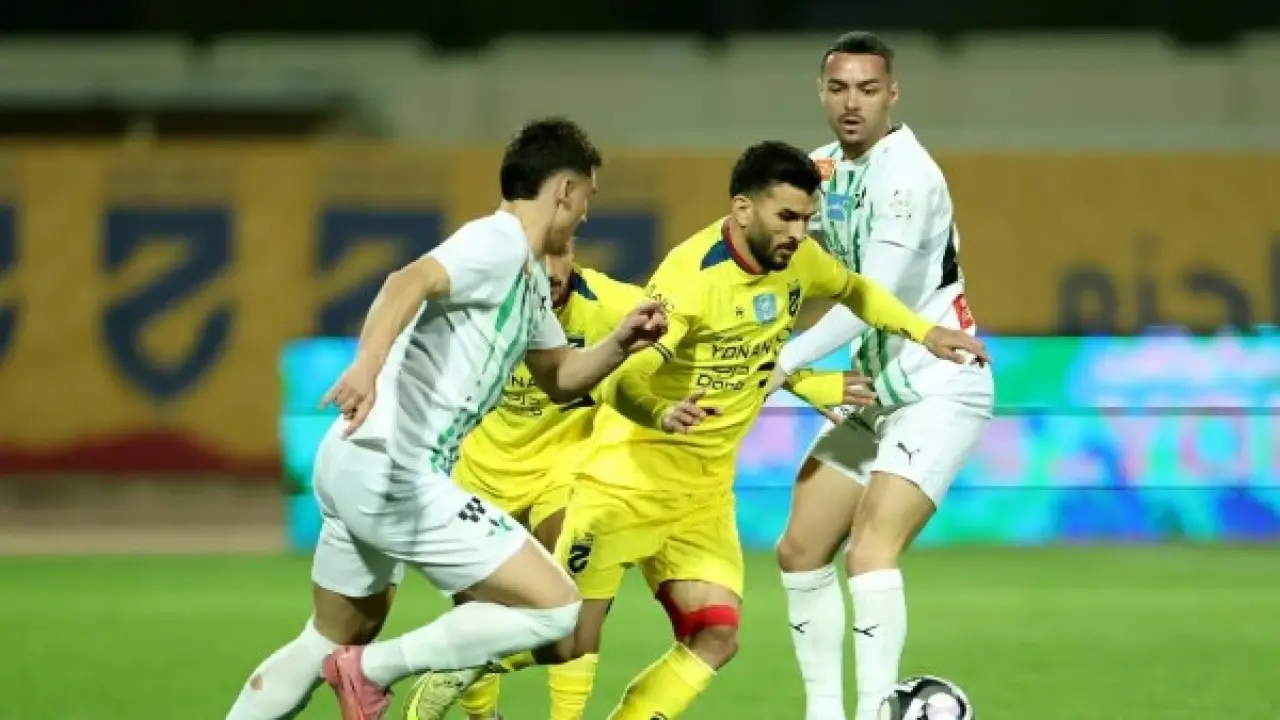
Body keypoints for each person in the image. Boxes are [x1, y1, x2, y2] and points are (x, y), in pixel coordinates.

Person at [405, 139, 988, 720]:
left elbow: (853, 291)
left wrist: (922, 332)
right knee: (567, 642)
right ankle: (464, 661)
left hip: (702, 496)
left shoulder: (800, 260)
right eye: (787, 217)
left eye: (807, 219)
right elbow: (625, 379)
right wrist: (660, 413)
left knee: (716, 636)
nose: (800, 233)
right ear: (743, 210)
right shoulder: (689, 281)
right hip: (626, 486)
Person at [224, 117, 667, 720]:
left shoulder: (530, 279)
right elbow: (406, 281)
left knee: (326, 638)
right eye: (588, 194)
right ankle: (371, 672)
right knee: (557, 608)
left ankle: (343, 669)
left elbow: (560, 377)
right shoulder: (497, 241)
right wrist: (366, 367)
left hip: (353, 460)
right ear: (565, 191)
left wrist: (620, 343)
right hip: (396, 470)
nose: (588, 212)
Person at [770, 31, 996, 720]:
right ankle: (824, 713)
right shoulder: (820, 172)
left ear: (892, 94)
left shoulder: (908, 177)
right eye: (839, 88)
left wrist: (785, 361)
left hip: (937, 386)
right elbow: (770, 256)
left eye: (868, 89)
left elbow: (875, 297)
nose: (852, 102)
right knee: (800, 548)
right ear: (821, 91)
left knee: (871, 547)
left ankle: (875, 711)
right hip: (873, 396)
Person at [450, 237, 646, 720]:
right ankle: (481, 716)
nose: (552, 269)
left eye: (560, 253)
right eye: (538, 258)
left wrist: (783, 371)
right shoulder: (472, 304)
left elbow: (689, 332)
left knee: (573, 598)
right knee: (476, 612)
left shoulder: (614, 306)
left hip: (565, 470)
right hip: (480, 474)